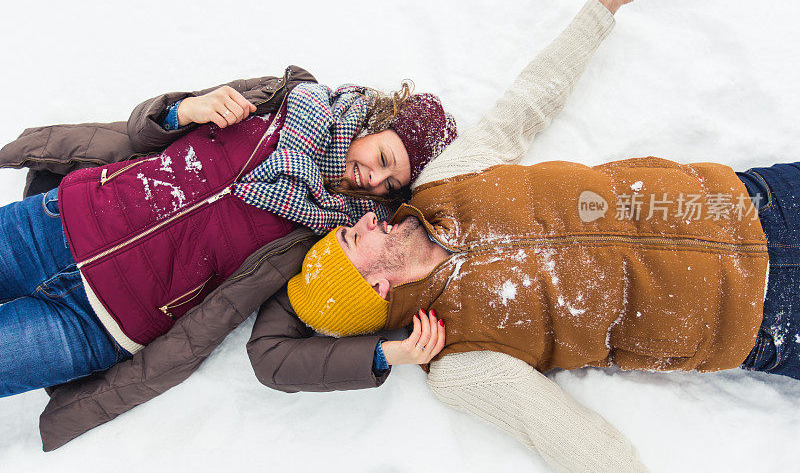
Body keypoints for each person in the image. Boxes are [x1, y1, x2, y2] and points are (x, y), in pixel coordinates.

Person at [280, 0, 796, 472]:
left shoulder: (441, 183)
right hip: (761, 314)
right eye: (352, 240)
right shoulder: (459, 361)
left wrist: (609, 1)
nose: (365, 219)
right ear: (374, 287)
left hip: (749, 202)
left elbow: (530, 100)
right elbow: (575, 442)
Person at [0, 66, 458, 397]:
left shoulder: (334, 236)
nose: (375, 180)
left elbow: (277, 354)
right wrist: (185, 109)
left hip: (95, 324)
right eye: (383, 159)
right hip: (53, 225)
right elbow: (143, 133)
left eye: (391, 183)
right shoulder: (284, 102)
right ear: (373, 125)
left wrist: (381, 354)